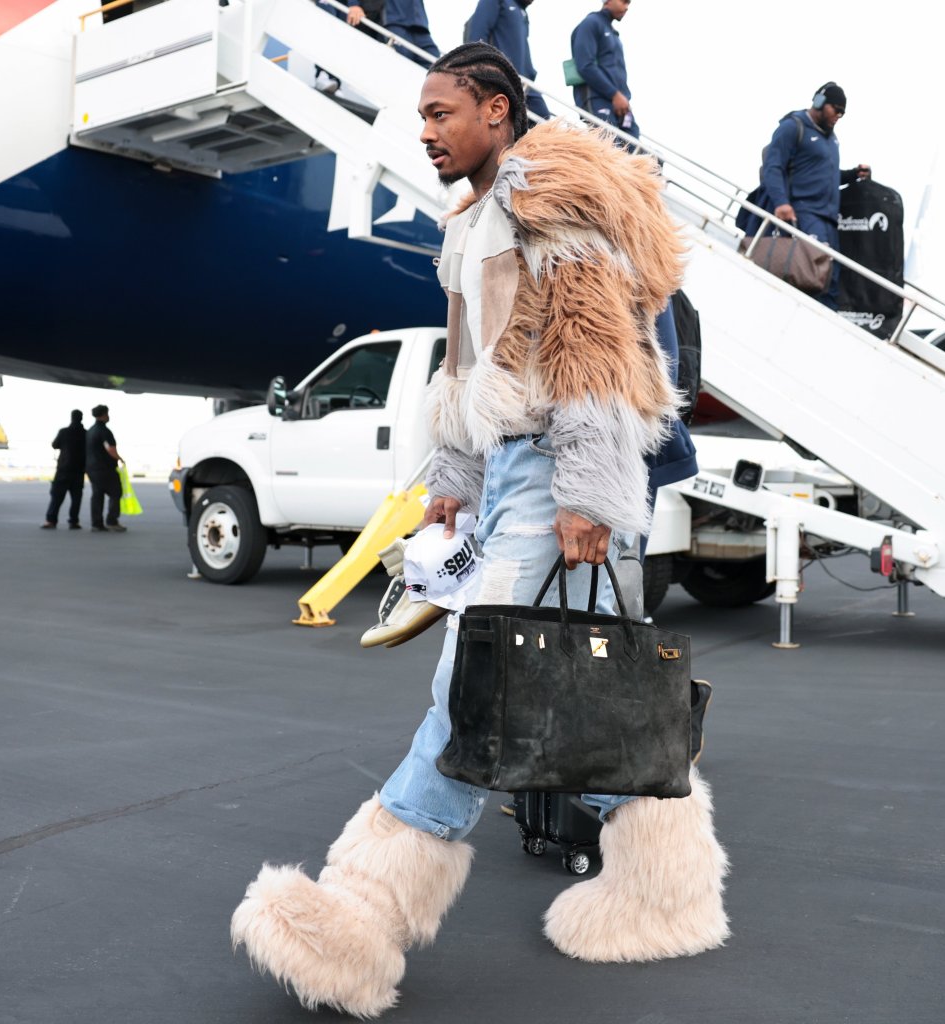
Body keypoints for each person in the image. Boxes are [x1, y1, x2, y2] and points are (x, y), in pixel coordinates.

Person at [231, 43, 729, 1018]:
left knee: (481, 689)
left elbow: (594, 348)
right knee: (600, 689)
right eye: (421, 117)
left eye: (439, 113)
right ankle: (663, 892)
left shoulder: (546, 200)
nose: (424, 133)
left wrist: (585, 492)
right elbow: (466, 369)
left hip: (558, 474)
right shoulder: (471, 224)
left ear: (497, 111)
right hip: (512, 476)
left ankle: (359, 917)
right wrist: (455, 477)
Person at [759, 82, 870, 308]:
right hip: (806, 212)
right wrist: (781, 203)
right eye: (835, 109)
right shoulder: (793, 127)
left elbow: (824, 176)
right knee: (814, 271)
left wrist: (852, 175)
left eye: (842, 112)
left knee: (832, 276)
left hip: (829, 218)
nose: (838, 116)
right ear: (819, 102)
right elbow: (773, 167)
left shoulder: (832, 139)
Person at [464, 0, 551, 120]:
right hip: (502, 77)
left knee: (544, 119)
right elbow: (477, 35)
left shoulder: (522, 12)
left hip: (525, 83)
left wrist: (530, 73)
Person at [570, 0, 638, 140]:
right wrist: (614, 94)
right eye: (624, 2)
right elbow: (585, 65)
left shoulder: (613, 33)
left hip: (620, 105)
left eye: (629, 4)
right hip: (598, 99)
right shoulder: (591, 23)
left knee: (638, 153)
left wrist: (622, 98)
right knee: (610, 150)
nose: (626, 8)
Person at [41, 410, 86, 530]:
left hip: (63, 470)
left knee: (57, 497)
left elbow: (55, 445)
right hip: (79, 470)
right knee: (76, 498)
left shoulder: (64, 432)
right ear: (81, 418)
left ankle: (51, 520)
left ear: (71, 418)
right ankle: (73, 522)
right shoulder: (85, 433)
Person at [86, 404, 126, 533]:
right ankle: (112, 521)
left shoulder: (90, 431)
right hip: (105, 468)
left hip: (92, 468)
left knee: (97, 495)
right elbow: (110, 448)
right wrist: (119, 458)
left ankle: (97, 524)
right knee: (115, 493)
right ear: (104, 415)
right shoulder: (104, 431)